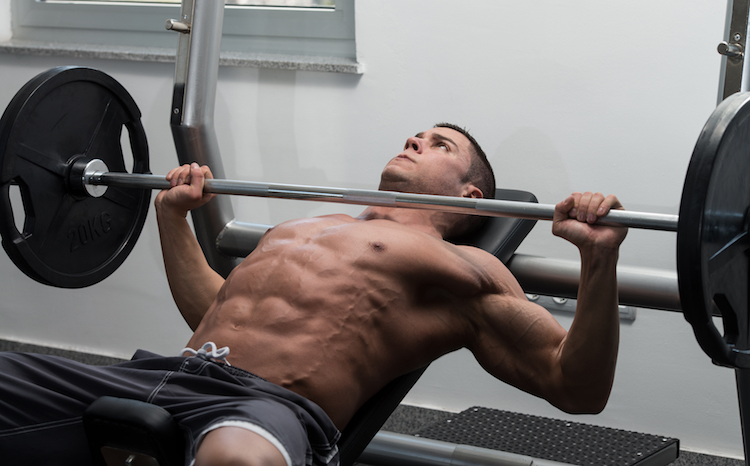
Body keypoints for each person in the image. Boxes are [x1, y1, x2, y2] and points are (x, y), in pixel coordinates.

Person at [0, 124, 626, 466]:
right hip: (174, 372)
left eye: (441, 145)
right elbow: (213, 310)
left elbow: (576, 387)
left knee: (238, 462)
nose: (414, 140)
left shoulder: (463, 268)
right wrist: (172, 219)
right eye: (416, 134)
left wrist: (598, 260)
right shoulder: (306, 226)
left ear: (470, 198)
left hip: (265, 408)